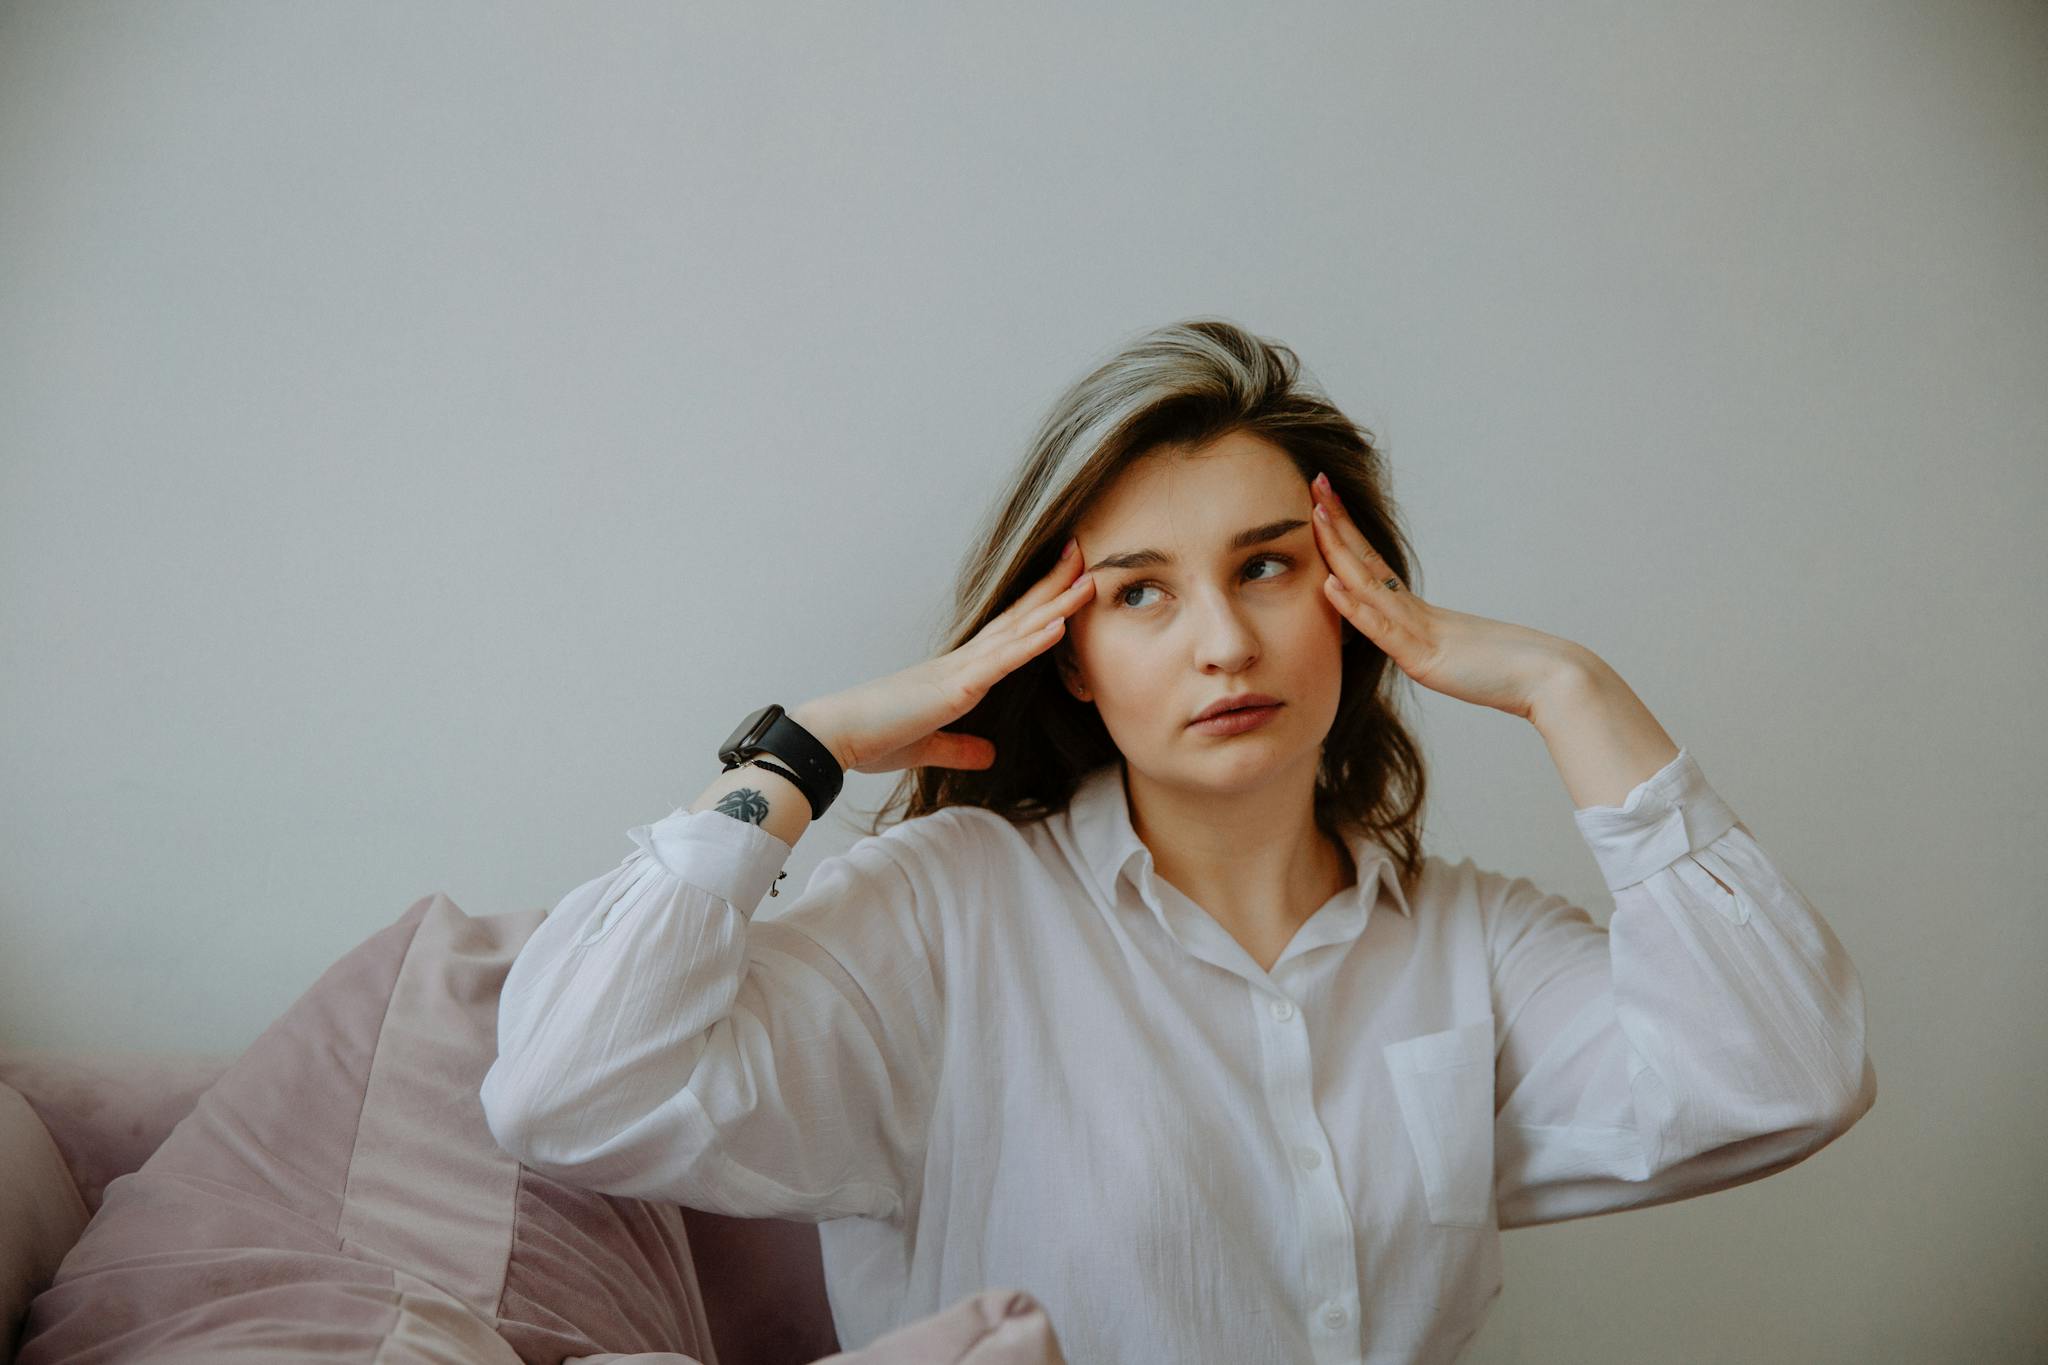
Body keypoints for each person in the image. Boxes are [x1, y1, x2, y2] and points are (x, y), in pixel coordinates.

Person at [480, 318, 1877, 1365]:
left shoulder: (1477, 943)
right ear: (1067, 655)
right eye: (1141, 593)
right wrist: (803, 751)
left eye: (1268, 565)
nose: (1224, 642)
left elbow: (1788, 1076)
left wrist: (1567, 685)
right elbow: (563, 1090)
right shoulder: (952, 914)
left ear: (1355, 595)